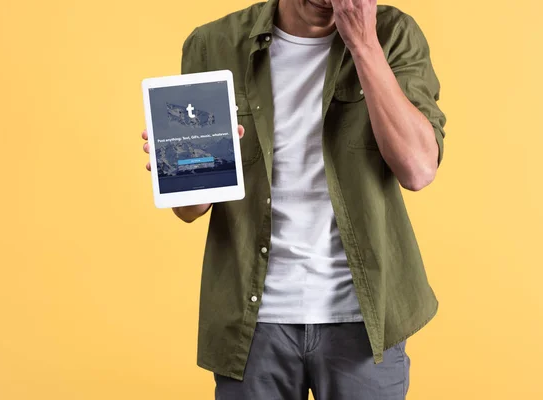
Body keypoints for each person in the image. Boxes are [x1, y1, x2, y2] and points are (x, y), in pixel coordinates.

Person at [141, 0, 446, 398]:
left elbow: (419, 169)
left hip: (365, 323)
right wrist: (187, 170)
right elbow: (188, 210)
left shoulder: (392, 34)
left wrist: (365, 45)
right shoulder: (214, 44)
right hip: (252, 328)